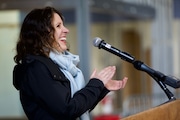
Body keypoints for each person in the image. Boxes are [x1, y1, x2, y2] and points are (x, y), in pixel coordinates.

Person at [13, 6, 128, 120]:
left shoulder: (56, 66)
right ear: (42, 33)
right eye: (58, 26)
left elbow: (78, 109)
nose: (66, 30)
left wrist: (100, 88)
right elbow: (67, 110)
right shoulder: (36, 68)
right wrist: (95, 84)